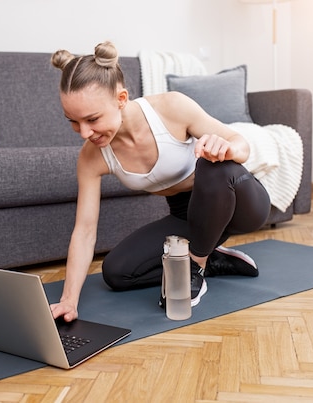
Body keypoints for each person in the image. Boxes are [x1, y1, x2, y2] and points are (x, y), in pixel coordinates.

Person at [49, 41, 271, 322]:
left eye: (92, 119)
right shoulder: (92, 158)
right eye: (73, 121)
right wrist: (69, 300)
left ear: (121, 98)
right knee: (117, 272)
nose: (83, 132)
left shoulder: (171, 108)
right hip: (187, 216)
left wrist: (226, 150)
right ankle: (211, 258)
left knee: (213, 166)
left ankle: (196, 266)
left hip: (238, 201)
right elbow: (84, 231)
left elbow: (241, 144)